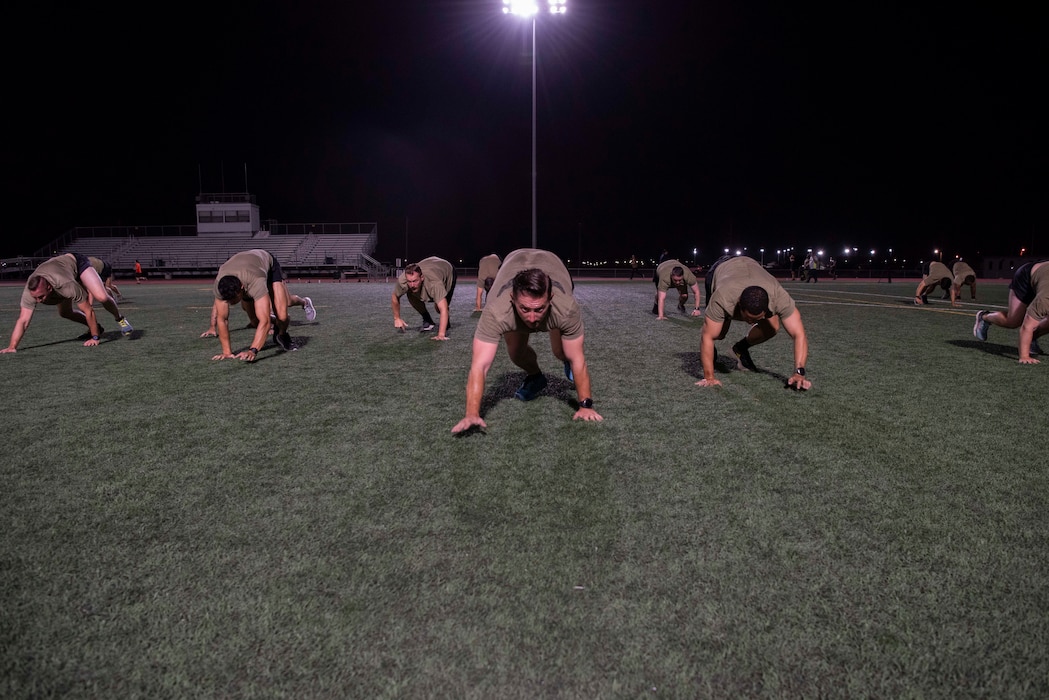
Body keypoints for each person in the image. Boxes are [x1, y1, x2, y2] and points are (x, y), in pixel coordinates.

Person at [451, 248, 603, 433]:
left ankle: (564, 360)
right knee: (515, 352)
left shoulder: (565, 307)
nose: (531, 319)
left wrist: (586, 405)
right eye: (524, 309)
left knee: (563, 352)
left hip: (553, 263)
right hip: (513, 261)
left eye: (538, 309)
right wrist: (472, 413)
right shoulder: (496, 311)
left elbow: (579, 358)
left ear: (550, 299)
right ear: (512, 299)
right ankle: (536, 377)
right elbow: (480, 366)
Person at [696, 255, 812, 390]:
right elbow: (708, 336)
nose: (751, 323)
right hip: (721, 269)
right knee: (717, 333)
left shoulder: (779, 297)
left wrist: (799, 372)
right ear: (739, 305)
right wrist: (709, 377)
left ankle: (740, 348)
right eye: (749, 318)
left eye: (757, 319)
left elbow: (799, 334)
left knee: (772, 328)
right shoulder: (723, 298)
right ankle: (711, 352)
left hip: (750, 264)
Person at [2, 252, 134, 353]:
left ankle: (120, 319)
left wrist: (95, 338)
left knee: (102, 297)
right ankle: (98, 327)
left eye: (41, 297)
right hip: (62, 272)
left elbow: (88, 310)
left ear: (49, 288)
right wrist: (12, 346)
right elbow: (23, 320)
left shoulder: (66, 284)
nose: (37, 301)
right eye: (35, 297)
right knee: (65, 313)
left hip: (77, 263)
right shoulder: (30, 292)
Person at [208, 249, 304, 361]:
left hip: (267, 265)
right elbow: (222, 319)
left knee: (282, 316)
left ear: (242, 288)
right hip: (246, 267)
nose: (230, 303)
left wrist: (253, 350)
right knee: (254, 322)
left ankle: (282, 334)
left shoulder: (255, 281)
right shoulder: (220, 285)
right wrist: (227, 352)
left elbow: (265, 321)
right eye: (227, 300)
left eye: (233, 299)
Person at [973, 259, 1048, 364]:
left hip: (1042, 276)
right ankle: (984, 317)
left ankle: (1031, 339)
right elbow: (1027, 326)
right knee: (1013, 321)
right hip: (1026, 277)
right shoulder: (1045, 299)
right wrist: (1025, 356)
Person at [200, 289, 315, 338]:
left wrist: (268, 325)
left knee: (287, 302)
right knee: (247, 308)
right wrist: (212, 327)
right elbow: (217, 304)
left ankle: (304, 302)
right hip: (250, 289)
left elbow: (266, 299)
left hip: (268, 277)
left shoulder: (251, 279)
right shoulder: (224, 282)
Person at [391, 256, 457, 339]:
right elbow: (395, 296)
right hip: (430, 264)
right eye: (409, 281)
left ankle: (446, 322)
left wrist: (441, 335)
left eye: (415, 281)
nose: (412, 285)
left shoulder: (434, 284)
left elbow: (443, 309)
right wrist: (397, 318)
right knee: (410, 293)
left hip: (447, 269)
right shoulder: (402, 281)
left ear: (422, 278)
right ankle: (428, 320)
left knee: (439, 308)